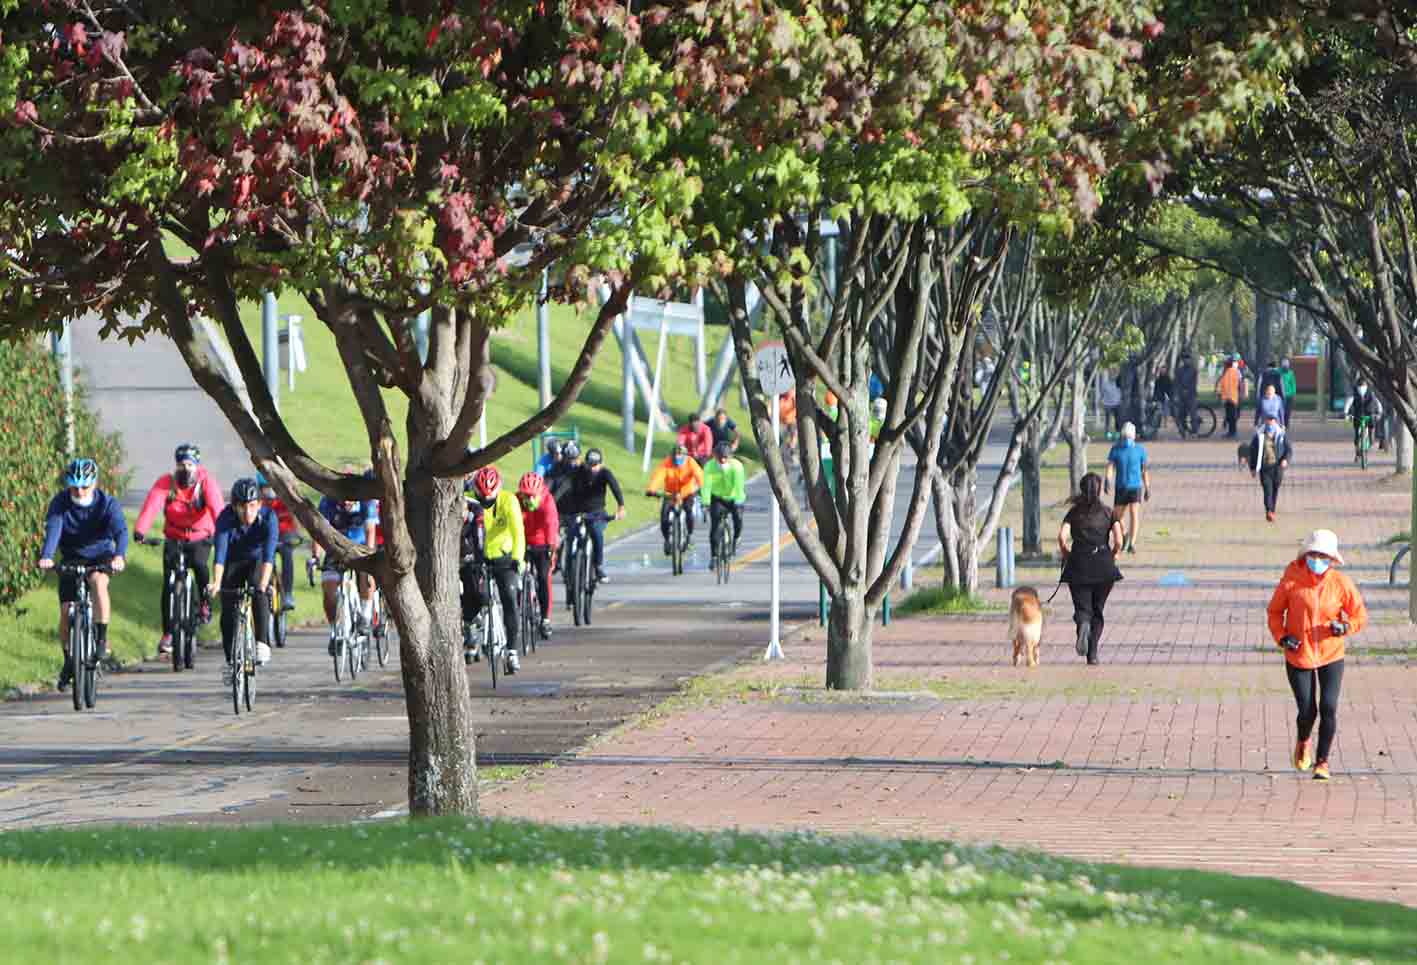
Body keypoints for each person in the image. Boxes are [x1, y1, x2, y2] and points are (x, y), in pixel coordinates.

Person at [1267, 530, 1367, 781]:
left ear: (1332, 559)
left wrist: (1345, 627)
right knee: (1308, 711)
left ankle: (1322, 762)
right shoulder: (1291, 579)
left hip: (1331, 653)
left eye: (1323, 556)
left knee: (1329, 707)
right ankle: (1303, 740)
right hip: (1298, 654)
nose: (1317, 560)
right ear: (1306, 554)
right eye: (1314, 554)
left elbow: (1359, 615)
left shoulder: (1340, 583)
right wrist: (1282, 637)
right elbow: (1274, 612)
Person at [39, 458, 128, 691]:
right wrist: (47, 555)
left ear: (94, 483)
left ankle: (100, 638)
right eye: (74, 486)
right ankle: (69, 658)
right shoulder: (60, 503)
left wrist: (119, 556)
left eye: (84, 487)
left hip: (101, 556)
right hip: (72, 557)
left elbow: (120, 530)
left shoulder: (107, 504)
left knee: (98, 582)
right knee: (67, 610)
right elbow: (54, 529)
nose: (78, 492)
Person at [133, 443, 225, 655]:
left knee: (201, 565)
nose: (186, 468)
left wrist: (223, 532)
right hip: (174, 537)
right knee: (168, 584)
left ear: (197, 465)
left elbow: (218, 509)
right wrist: (140, 530)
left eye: (190, 464)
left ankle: (204, 603)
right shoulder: (168, 483)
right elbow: (152, 505)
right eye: (182, 464)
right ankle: (168, 634)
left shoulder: (206, 483)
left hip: (200, 536)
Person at [210, 477, 277, 682]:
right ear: (234, 506)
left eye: (252, 506)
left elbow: (269, 555)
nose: (247, 512)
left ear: (259, 504)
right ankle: (231, 661)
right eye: (242, 507)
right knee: (228, 608)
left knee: (259, 591)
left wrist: (264, 585)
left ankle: (262, 642)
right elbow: (219, 555)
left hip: (257, 561)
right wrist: (216, 583)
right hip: (233, 561)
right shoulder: (225, 518)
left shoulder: (269, 518)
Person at [1057, 472, 1123, 666]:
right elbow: (1119, 540)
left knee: (1082, 608)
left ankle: (1083, 624)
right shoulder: (1109, 512)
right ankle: (1092, 655)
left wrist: (1066, 553)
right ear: (1099, 490)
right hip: (1103, 564)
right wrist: (1114, 554)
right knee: (1098, 610)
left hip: (1078, 564)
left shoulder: (1074, 512)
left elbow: (1062, 537)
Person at [462, 466, 523, 671]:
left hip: (504, 557)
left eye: (490, 499)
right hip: (478, 558)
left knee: (508, 596)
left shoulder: (508, 500)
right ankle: (471, 628)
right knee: (474, 595)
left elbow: (518, 532)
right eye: (483, 498)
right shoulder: (468, 499)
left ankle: (512, 651)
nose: (486, 502)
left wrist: (518, 558)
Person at [314, 477, 379, 654]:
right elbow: (319, 533)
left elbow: (370, 531)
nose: (347, 502)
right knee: (328, 590)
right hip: (335, 549)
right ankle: (336, 631)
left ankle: (365, 614)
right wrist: (315, 556)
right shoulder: (328, 502)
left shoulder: (366, 502)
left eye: (351, 498)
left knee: (367, 576)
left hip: (360, 547)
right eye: (343, 497)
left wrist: (370, 555)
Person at [553, 446, 626, 583]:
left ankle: (598, 567)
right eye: (590, 465)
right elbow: (565, 486)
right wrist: (552, 501)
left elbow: (615, 488)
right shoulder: (579, 471)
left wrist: (621, 506)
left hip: (597, 513)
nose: (592, 468)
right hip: (578, 512)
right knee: (570, 537)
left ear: (601, 464)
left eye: (596, 465)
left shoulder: (605, 473)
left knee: (597, 534)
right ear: (585, 463)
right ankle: (568, 571)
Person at [517, 471, 558, 639]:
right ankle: (521, 603)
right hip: (523, 541)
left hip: (542, 543)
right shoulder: (516, 501)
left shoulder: (548, 502)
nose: (529, 499)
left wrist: (551, 549)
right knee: (517, 574)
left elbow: (551, 525)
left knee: (543, 577)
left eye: (533, 495)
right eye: (525, 495)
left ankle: (545, 618)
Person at [646, 442, 704, 556]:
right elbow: (658, 476)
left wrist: (702, 487)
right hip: (670, 493)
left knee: (689, 511)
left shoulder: (691, 462)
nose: (678, 459)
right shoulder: (667, 462)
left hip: (687, 492)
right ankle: (667, 540)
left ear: (686, 456)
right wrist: (651, 489)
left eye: (681, 456)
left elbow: (699, 476)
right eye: (676, 456)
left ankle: (689, 536)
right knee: (664, 515)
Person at [1103, 421, 1149, 554]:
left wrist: (1147, 487)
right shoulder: (1116, 449)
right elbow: (1110, 466)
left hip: (1135, 486)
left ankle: (1132, 544)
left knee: (1134, 514)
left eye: (1129, 436)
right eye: (1124, 436)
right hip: (1121, 486)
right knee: (1117, 516)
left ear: (1134, 436)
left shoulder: (1140, 450)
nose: (1126, 439)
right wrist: (1107, 480)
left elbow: (1144, 470)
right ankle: (1124, 534)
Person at [256, 471, 299, 613]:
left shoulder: (286, 498)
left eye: (272, 486)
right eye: (266, 487)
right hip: (265, 536)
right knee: (264, 558)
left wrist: (296, 535)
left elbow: (295, 518)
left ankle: (287, 594)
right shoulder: (257, 501)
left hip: (284, 533)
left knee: (287, 554)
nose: (270, 491)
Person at [702, 441, 747, 556]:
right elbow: (706, 486)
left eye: (725, 457)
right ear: (715, 456)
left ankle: (737, 537)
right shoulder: (709, 466)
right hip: (718, 498)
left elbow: (739, 485)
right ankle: (714, 555)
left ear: (730, 457)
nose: (722, 460)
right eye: (720, 457)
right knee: (715, 526)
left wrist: (737, 501)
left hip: (734, 497)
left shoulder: (737, 466)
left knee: (738, 517)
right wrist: (706, 503)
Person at [1249, 412, 1292, 522]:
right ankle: (1269, 510)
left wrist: (1285, 460)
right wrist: (1252, 468)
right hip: (1265, 467)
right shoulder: (1259, 436)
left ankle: (1272, 509)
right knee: (1267, 489)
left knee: (1275, 488)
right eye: (1268, 421)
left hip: (1277, 467)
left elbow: (1288, 450)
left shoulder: (1281, 435)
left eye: (1272, 421)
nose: (1270, 423)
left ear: (1276, 422)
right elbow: (1252, 452)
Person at [1344, 380, 1383, 460]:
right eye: (1360, 386)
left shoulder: (1370, 393)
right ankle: (1358, 450)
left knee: (1370, 434)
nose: (1361, 388)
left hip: (1369, 414)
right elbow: (1349, 403)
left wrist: (1379, 412)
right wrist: (1346, 413)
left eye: (1363, 386)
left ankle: (1365, 446)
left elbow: (1377, 402)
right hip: (1358, 415)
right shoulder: (1355, 393)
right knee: (1357, 434)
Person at [1215, 356, 1245, 438]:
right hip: (1230, 397)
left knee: (1232, 416)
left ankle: (1233, 432)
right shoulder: (1228, 372)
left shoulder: (1233, 372)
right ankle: (1230, 432)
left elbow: (1240, 384)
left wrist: (1241, 394)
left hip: (1231, 397)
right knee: (1230, 415)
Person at [1175, 351, 1199, 434]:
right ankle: (1184, 429)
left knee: (1193, 414)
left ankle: (1194, 431)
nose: (1186, 361)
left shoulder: (1194, 370)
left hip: (1191, 394)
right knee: (1182, 414)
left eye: (1188, 359)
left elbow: (1194, 382)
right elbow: (1177, 382)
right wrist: (1180, 391)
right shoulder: (1179, 370)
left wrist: (1188, 390)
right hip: (1182, 394)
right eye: (1185, 359)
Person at [1098, 369, 1122, 439]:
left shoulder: (1118, 383)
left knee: (1117, 420)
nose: (1112, 376)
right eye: (1110, 374)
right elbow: (1102, 394)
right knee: (1108, 420)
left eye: (1113, 374)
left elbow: (1121, 393)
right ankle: (1108, 433)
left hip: (1117, 404)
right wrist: (1100, 402)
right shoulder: (1105, 384)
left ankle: (1117, 433)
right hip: (1107, 404)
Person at [1280, 358, 1298, 426]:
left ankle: (1286, 423)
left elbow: (1293, 384)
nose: (1285, 367)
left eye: (1286, 366)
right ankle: (1281, 423)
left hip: (1289, 395)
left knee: (1287, 411)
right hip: (1281, 394)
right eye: (1284, 366)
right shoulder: (1279, 372)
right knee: (1281, 410)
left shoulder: (1291, 373)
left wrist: (1294, 393)